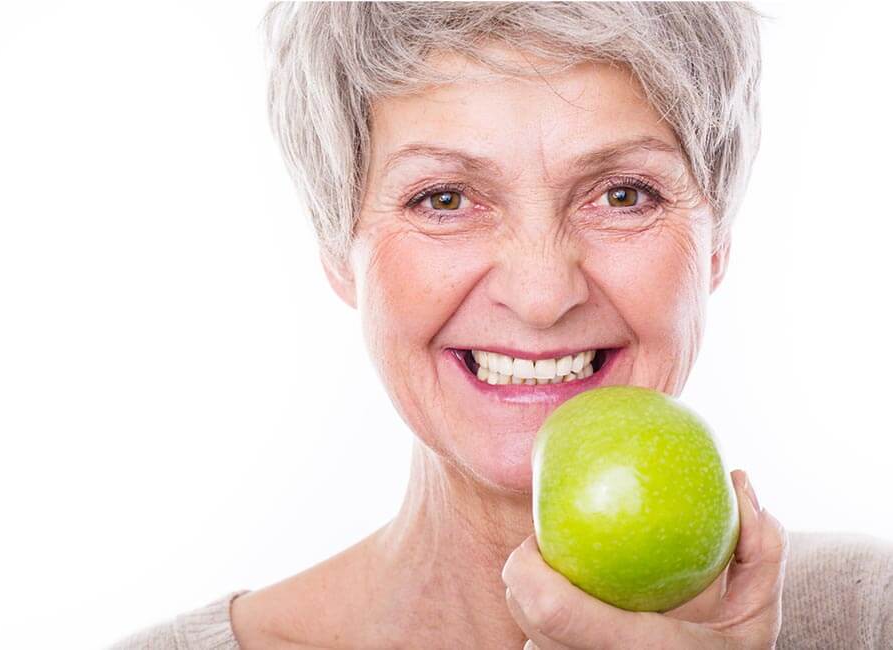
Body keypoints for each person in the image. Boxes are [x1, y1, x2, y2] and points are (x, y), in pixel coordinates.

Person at [111, 2, 893, 648]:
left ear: (715, 239)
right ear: (337, 248)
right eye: (444, 199)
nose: (542, 293)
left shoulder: (868, 617)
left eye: (622, 194)